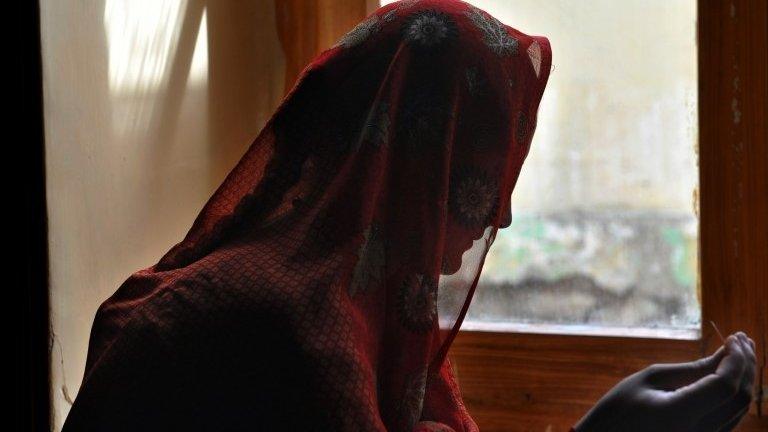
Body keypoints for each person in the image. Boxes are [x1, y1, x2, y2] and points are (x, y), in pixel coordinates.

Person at [62, 1, 757, 431]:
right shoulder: (292, 337)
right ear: (404, 167)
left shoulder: (353, 311)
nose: (502, 216)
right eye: (477, 180)